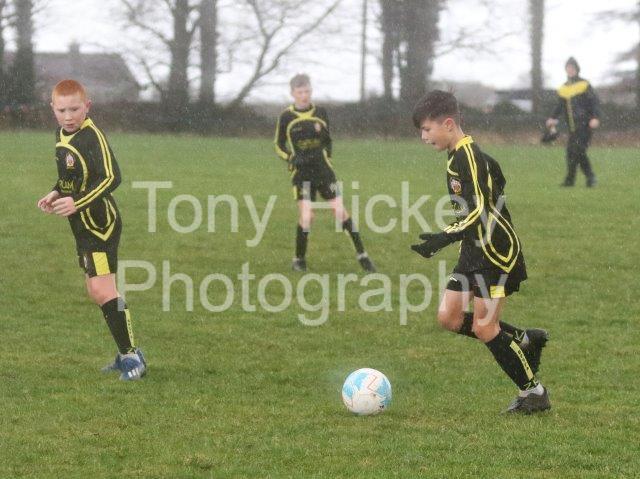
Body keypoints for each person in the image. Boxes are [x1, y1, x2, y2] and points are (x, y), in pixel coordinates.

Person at [411, 90, 550, 414]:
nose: (423, 137)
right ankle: (525, 339)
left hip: (494, 253)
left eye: (427, 129)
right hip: (473, 249)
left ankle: (534, 393)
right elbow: (496, 178)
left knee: (485, 327)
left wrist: (441, 238)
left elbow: (479, 211)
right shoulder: (458, 155)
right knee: (449, 317)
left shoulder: (468, 156)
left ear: (448, 124)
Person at [37, 79, 146, 381]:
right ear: (53, 109)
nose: (68, 116)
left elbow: (111, 177)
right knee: (96, 290)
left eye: (74, 109)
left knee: (103, 290)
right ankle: (126, 352)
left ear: (87, 106)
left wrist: (77, 203)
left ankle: (132, 358)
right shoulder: (61, 134)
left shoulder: (91, 136)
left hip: (99, 225)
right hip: (81, 225)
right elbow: (72, 175)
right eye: (62, 110)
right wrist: (56, 192)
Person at [274, 74, 375, 272]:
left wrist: (328, 159)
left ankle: (362, 255)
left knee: (340, 212)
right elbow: (278, 144)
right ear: (293, 93)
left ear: (311, 91)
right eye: (300, 92)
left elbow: (327, 140)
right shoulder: (286, 116)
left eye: (307, 91)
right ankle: (299, 260)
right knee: (307, 217)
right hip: (302, 175)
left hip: (323, 172)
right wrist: (290, 159)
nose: (304, 95)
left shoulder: (320, 112)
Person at [546, 57, 600, 187]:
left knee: (578, 151)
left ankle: (590, 177)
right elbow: (560, 106)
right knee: (570, 153)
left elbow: (594, 102)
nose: (570, 70)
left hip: (585, 125)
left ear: (577, 69)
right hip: (572, 127)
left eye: (572, 68)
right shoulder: (564, 88)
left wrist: (595, 117)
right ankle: (571, 180)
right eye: (568, 68)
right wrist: (552, 117)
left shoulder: (584, 84)